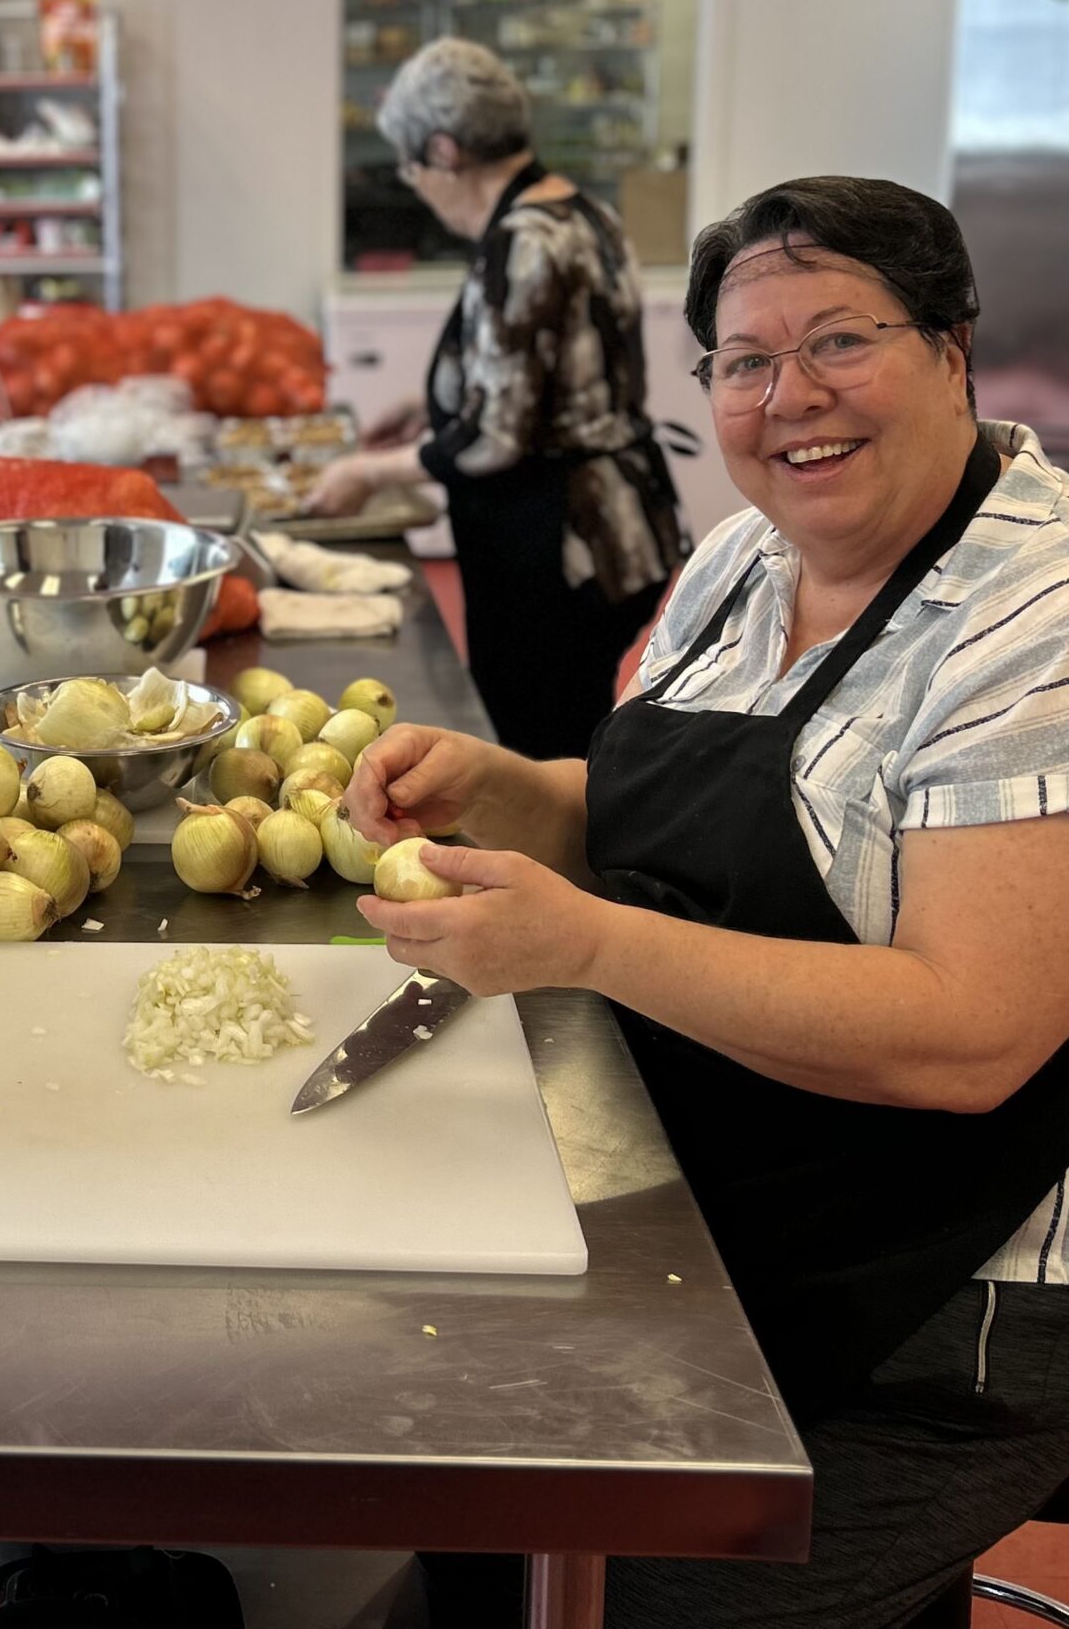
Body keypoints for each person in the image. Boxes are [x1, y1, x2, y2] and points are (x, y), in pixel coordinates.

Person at [346, 176, 1069, 1628]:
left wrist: (592, 942)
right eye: (745, 361)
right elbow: (647, 816)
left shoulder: (1034, 618)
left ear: (950, 347)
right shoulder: (747, 551)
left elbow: (971, 1034)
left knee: (604, 1597)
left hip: (932, 1316)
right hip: (717, 1207)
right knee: (449, 1514)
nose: (789, 396)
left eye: (840, 342)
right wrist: (498, 785)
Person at [308, 38, 688, 759]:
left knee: (535, 743)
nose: (414, 184)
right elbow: (557, 369)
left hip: (557, 544)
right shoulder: (584, 213)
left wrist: (365, 473)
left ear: (446, 152)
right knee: (579, 727)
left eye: (413, 167)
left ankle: (550, 867)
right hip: (624, 524)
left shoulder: (521, 242)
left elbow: (496, 440)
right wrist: (429, 403)